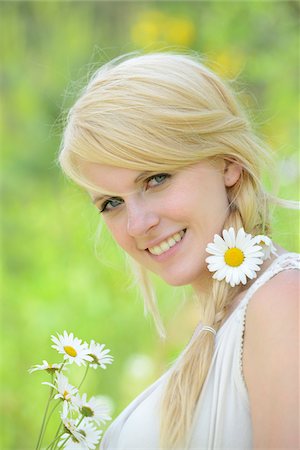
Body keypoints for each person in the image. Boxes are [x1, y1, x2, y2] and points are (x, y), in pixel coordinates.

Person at [58, 53, 299, 449]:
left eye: (156, 178)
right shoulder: (221, 327)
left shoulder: (283, 304)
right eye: (111, 203)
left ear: (227, 163)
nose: (137, 225)